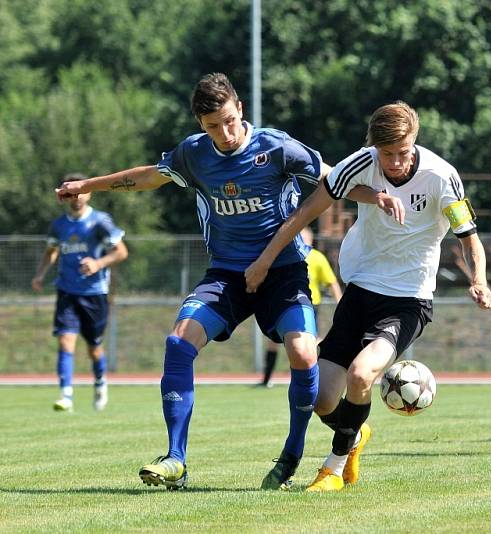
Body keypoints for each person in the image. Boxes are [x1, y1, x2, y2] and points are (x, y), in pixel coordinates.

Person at [55, 73, 372, 491]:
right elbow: (151, 175)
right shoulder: (194, 154)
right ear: (200, 125)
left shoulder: (277, 147)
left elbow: (334, 179)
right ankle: (176, 459)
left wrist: (382, 196)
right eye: (211, 127)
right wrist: (88, 185)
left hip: (283, 272)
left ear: (239, 109)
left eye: (227, 121)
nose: (223, 133)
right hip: (226, 275)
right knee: (178, 342)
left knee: (302, 352)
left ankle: (293, 453)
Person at [244, 101, 491, 490]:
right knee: (322, 398)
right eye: (386, 154)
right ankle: (355, 434)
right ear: (373, 147)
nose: (394, 162)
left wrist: (479, 278)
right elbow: (306, 212)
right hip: (360, 289)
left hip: (409, 298)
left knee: (362, 374)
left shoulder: (441, 176)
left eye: (403, 152)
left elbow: (469, 239)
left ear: (415, 141)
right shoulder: (358, 164)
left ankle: (332, 468)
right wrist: (264, 260)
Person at [32, 172, 128, 413]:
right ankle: (66, 395)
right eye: (71, 192)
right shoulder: (59, 225)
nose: (76, 197)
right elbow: (51, 251)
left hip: (94, 293)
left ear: (89, 192)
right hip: (66, 291)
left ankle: (100, 383)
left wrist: (97, 264)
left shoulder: (100, 221)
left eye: (80, 191)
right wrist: (41, 274)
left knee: (94, 348)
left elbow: (121, 252)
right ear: (65, 195)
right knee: (65, 341)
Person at [259, 226, 343, 387]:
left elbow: (331, 281)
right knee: (273, 342)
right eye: (298, 237)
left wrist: (340, 300)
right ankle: (265, 380)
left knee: (310, 344)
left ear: (311, 240)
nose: (302, 240)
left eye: (305, 237)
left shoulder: (317, 257)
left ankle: (316, 378)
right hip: (283, 302)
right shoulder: (286, 256)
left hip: (310, 306)